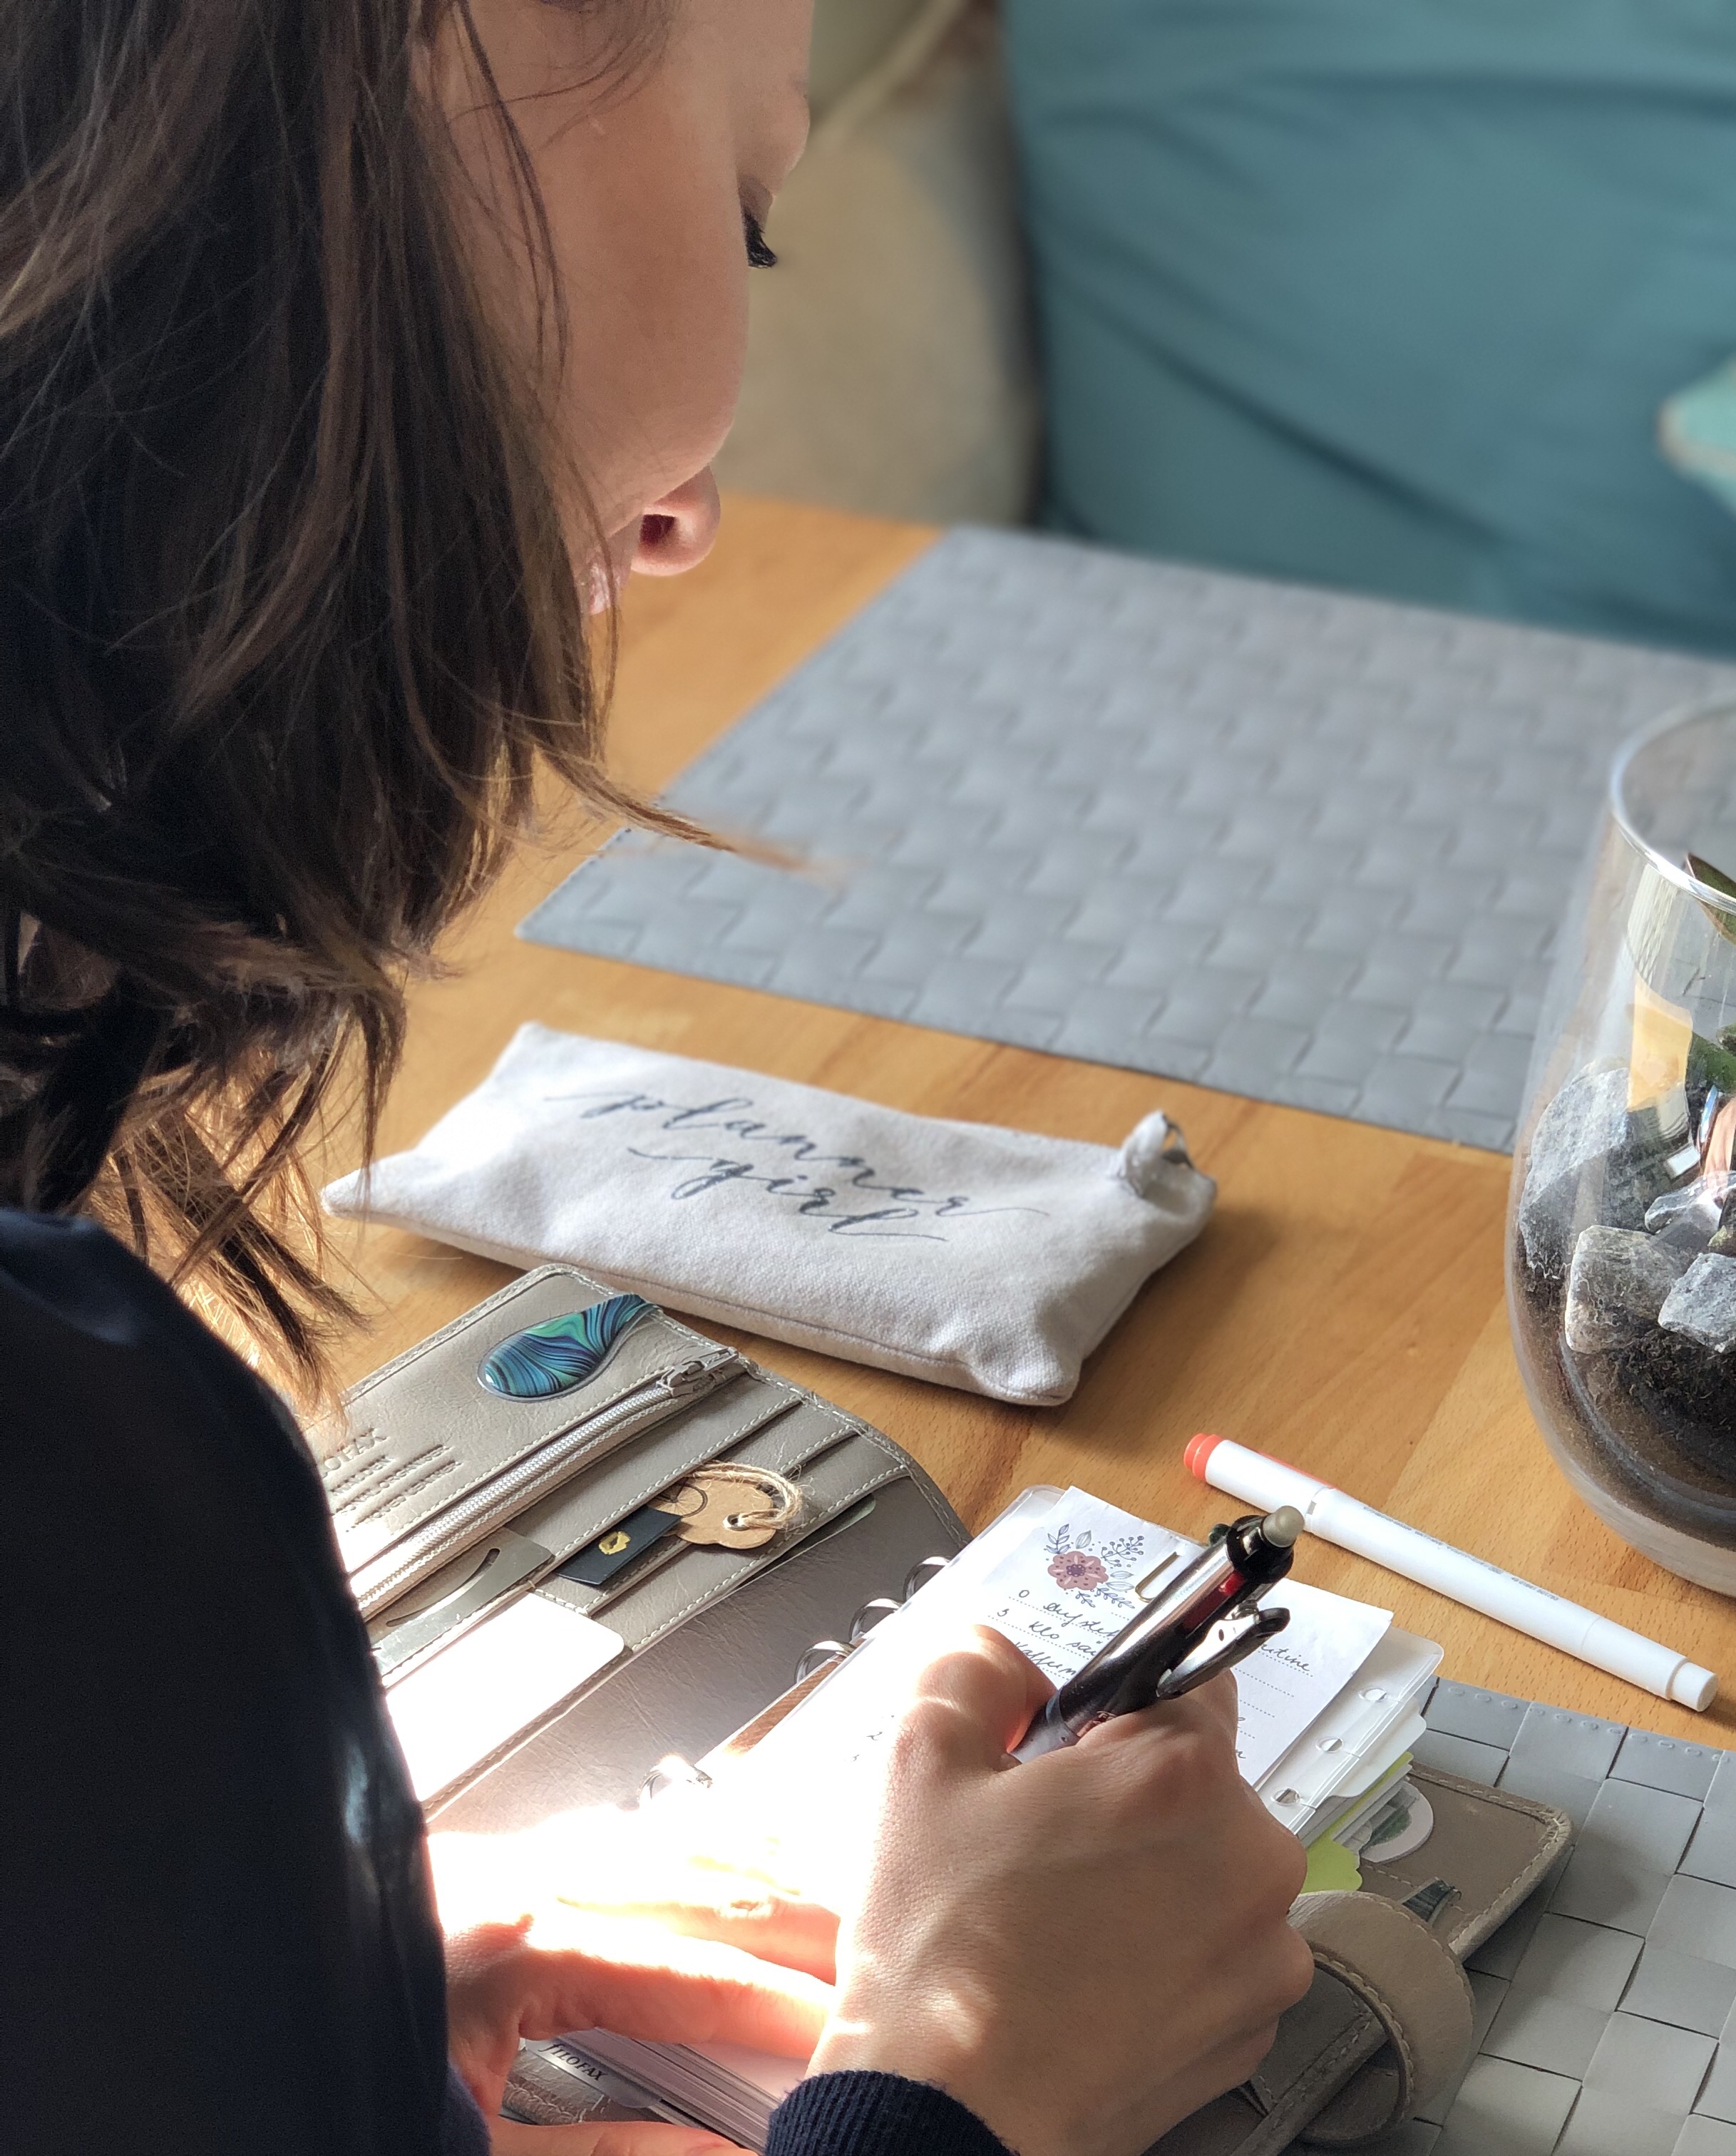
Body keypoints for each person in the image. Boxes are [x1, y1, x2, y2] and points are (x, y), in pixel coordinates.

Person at [0, 4, 1314, 2153]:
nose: (687, 517)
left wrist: (260, 1977)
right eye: (749, 208)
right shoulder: (73, 1461)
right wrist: (963, 2078)